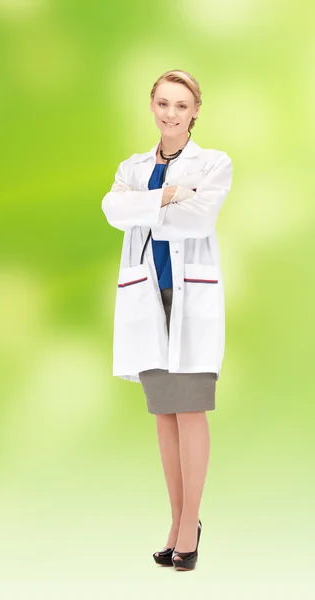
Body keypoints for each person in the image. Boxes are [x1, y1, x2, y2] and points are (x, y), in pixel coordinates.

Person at [101, 69, 232, 571]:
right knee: (163, 414)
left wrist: (143, 208)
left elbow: (199, 220)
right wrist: (169, 195)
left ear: (196, 110)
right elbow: (113, 209)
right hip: (146, 300)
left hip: (189, 300)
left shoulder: (214, 163)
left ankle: (190, 524)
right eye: (163, 103)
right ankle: (178, 522)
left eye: (181, 105)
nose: (171, 113)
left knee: (190, 409)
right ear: (151, 106)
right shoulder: (133, 166)